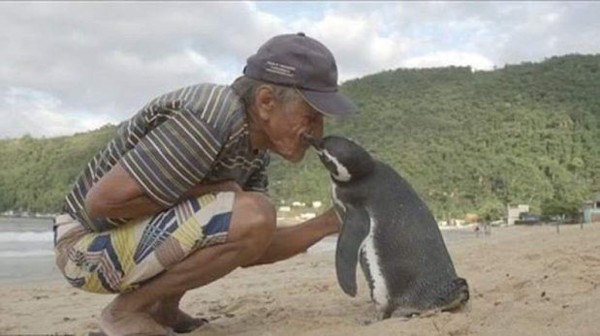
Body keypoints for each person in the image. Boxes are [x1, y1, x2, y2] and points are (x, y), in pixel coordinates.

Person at [53, 32, 357, 335]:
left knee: (254, 214)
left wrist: (332, 221)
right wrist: (214, 191)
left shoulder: (255, 151)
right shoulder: (210, 115)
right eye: (311, 115)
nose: (317, 130)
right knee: (252, 211)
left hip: (119, 244)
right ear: (266, 101)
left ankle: (163, 309)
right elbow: (101, 203)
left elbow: (252, 244)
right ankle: (125, 312)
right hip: (82, 248)